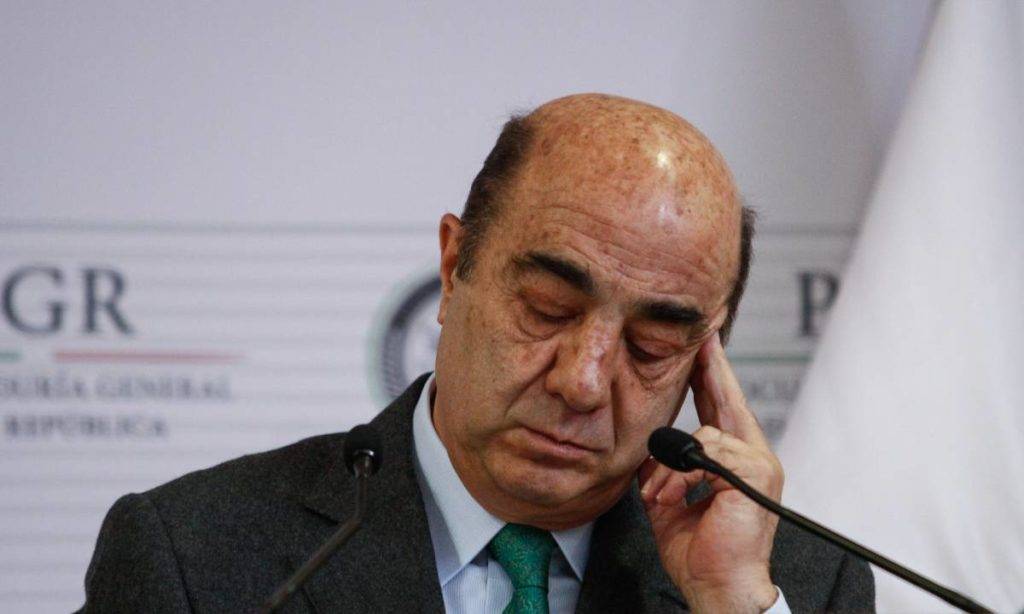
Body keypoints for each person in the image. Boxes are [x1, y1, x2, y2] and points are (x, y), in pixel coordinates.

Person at [78, 94, 874, 613]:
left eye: (652, 344)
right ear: (455, 265)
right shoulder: (193, 559)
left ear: (707, 358)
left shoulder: (794, 587)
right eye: (548, 309)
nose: (584, 382)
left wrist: (731, 603)